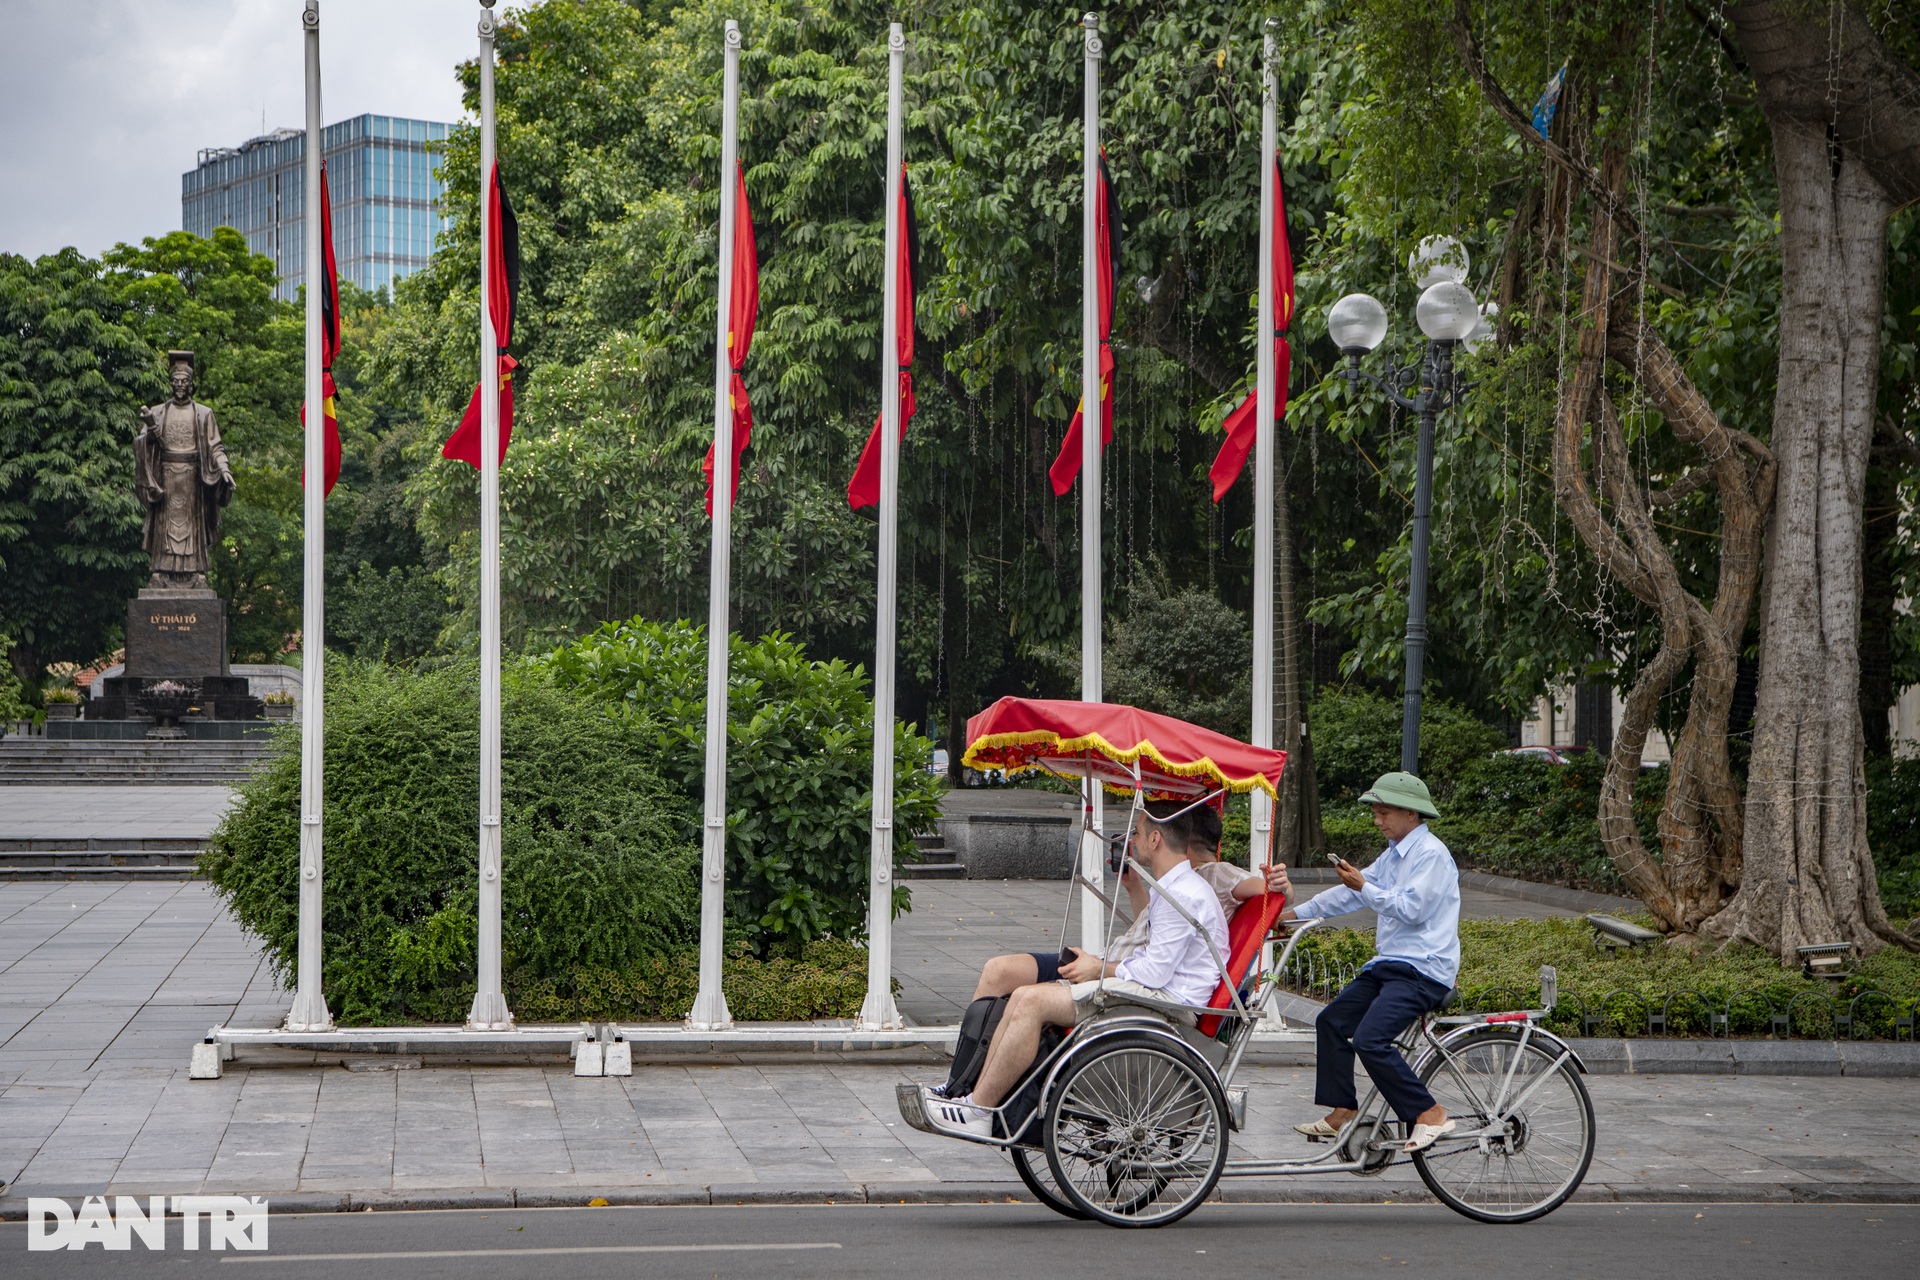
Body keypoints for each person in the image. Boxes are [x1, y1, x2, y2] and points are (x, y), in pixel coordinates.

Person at [933, 798, 1229, 1135]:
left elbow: (1156, 973)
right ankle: (975, 1099)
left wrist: (1099, 969)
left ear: (1155, 840)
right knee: (1021, 997)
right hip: (1156, 992)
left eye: (1137, 832)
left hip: (1167, 1005)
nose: (1131, 838)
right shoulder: (1174, 889)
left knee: (1031, 1001)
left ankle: (980, 1110)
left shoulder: (1185, 895)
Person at [1269, 771, 1461, 1153]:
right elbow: (1349, 896)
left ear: (1411, 814)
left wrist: (1364, 887)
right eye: (1376, 812)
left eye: (1384, 812)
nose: (1377, 820)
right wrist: (1292, 916)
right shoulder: (1393, 855)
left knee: (1371, 1040)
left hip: (1423, 970)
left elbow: (1411, 909)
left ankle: (1430, 1112)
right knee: (1331, 1021)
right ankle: (1343, 1110)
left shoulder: (1432, 855)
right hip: (1390, 966)